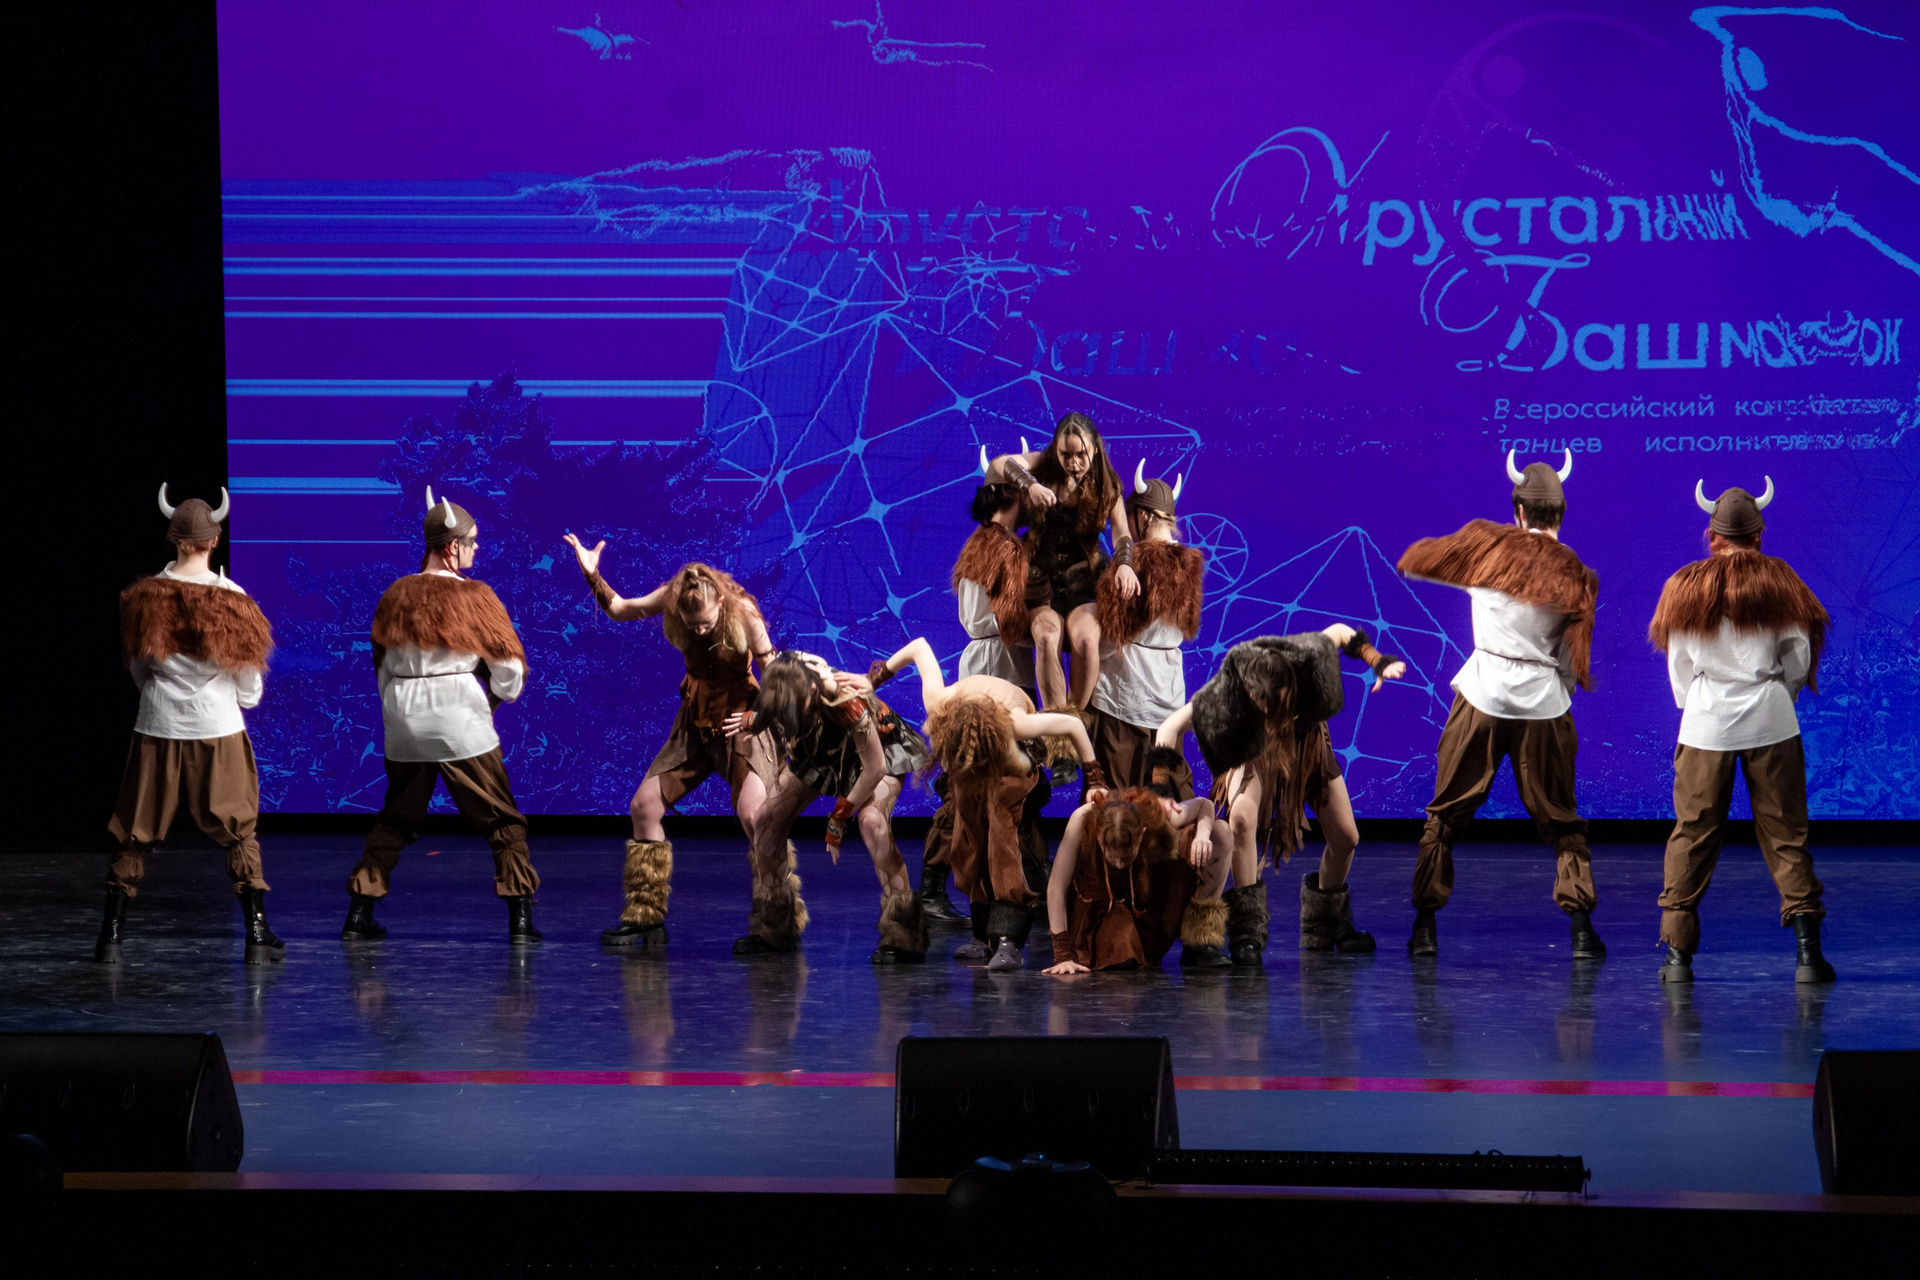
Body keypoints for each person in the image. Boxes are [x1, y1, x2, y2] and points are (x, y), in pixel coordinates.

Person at [1396, 450, 1602, 960]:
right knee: (1561, 818)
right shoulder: (1577, 575)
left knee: (1446, 811)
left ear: (1519, 512)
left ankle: (1424, 927)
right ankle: (1581, 931)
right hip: (1543, 704)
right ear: (1560, 513)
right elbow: (1572, 661)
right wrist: (1553, 692)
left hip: (1482, 696)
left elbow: (1419, 563)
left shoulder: (1486, 552)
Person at [1647, 478, 1834, 984]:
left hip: (1705, 725)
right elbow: (1798, 655)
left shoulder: (1685, 586)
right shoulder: (1782, 582)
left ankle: (1677, 959)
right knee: (1786, 834)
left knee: (1692, 833)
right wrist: (1777, 696)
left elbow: (1680, 665)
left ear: (1713, 536)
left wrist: (1697, 705)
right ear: (1758, 533)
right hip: (1771, 720)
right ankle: (1808, 956)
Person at [341, 488, 538, 945]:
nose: (476, 549)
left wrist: (398, 713)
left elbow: (383, 665)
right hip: (458, 718)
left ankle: (359, 912)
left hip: (404, 717)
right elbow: (509, 668)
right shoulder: (475, 596)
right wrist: (496, 699)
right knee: (500, 817)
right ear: (451, 547)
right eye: (471, 542)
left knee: (397, 816)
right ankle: (520, 918)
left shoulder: (395, 594)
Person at [565, 538, 779, 947]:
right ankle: (646, 916)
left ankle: (777, 922)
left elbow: (773, 674)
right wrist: (592, 575)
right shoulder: (672, 596)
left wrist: (759, 717)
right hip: (695, 722)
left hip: (742, 720)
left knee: (755, 817)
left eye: (705, 623)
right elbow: (621, 609)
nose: (698, 631)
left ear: (719, 601)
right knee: (644, 807)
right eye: (691, 623)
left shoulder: (744, 612)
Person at [102, 485, 278, 965]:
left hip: (157, 725)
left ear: (174, 540)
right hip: (217, 727)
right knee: (238, 827)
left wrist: (162, 694)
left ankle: (110, 937)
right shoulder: (233, 598)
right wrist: (238, 699)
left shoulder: (143, 598)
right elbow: (248, 681)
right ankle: (257, 933)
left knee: (134, 828)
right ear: (213, 540)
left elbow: (139, 668)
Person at [1156, 627, 1404, 967]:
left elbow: (1341, 632)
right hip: (1254, 751)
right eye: (1259, 705)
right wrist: (1160, 790)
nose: (1267, 711)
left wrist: (1376, 660)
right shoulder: (1226, 690)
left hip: (1306, 745)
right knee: (1241, 819)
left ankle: (1325, 925)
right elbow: (1169, 727)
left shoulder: (1306, 655)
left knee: (1347, 837)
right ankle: (1247, 931)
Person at [868, 637, 1108, 971]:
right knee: (967, 843)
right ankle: (982, 936)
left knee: (1001, 839)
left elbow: (1073, 724)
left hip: (1011, 759)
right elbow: (920, 647)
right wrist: (873, 681)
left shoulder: (1016, 724)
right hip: (967, 757)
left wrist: (1094, 778)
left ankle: (1008, 940)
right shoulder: (939, 703)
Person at [724, 651, 929, 961]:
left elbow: (874, 768)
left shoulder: (845, 702)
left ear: (813, 689)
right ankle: (774, 927)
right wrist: (755, 719)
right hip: (819, 754)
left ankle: (904, 935)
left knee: (872, 824)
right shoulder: (785, 682)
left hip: (873, 758)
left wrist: (838, 818)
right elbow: (772, 706)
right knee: (766, 819)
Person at [917, 459, 1038, 927]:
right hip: (998, 665)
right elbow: (1008, 617)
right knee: (970, 785)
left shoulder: (983, 541)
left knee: (1007, 785)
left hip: (991, 660)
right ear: (1013, 495)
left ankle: (1021, 880)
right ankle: (934, 886)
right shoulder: (1003, 547)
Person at [987, 412, 1138, 711]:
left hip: (1085, 581)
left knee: (1086, 639)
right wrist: (1030, 484)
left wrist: (1125, 563)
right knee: (1045, 636)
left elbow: (1121, 531)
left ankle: (1072, 720)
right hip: (1042, 583)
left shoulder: (1106, 484)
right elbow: (999, 463)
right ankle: (1054, 729)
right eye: (1065, 454)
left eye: (1081, 454)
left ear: (1094, 449)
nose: (1074, 463)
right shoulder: (1042, 465)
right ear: (1056, 448)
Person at [1089, 461, 1203, 797]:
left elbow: (1109, 639)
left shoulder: (1132, 563)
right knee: (1167, 800)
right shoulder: (1191, 567)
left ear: (1141, 516)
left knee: (1118, 800)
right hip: (1169, 698)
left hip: (1123, 698)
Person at [1042, 787, 1234, 975]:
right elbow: (1056, 888)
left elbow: (1204, 804)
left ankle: (1199, 944)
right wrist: (1062, 955)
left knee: (1220, 832)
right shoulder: (1083, 819)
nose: (1119, 865)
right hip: (1101, 905)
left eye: (1126, 858)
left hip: (1143, 894)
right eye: (1113, 858)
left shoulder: (1150, 814)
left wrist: (1202, 836)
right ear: (1100, 838)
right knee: (1121, 953)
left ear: (1142, 832)